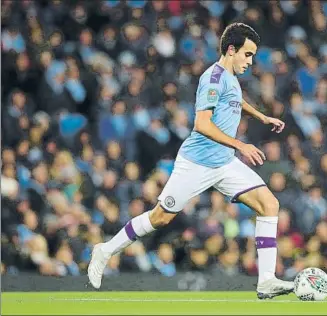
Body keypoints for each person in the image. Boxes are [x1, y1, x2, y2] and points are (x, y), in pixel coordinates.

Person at [88, 23, 294, 299]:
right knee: (160, 218)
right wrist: (240, 145)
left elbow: (236, 101)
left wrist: (262, 117)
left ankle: (266, 280)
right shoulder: (212, 77)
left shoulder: (231, 77)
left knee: (269, 204)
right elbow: (201, 124)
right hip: (196, 164)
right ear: (231, 50)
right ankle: (105, 250)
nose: (251, 61)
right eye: (247, 54)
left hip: (223, 163)